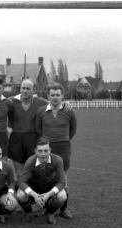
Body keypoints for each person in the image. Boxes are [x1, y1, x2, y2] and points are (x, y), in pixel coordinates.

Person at [35, 82, 77, 219]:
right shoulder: (41, 111)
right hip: (46, 149)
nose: (55, 97)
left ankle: (63, 209)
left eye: (57, 95)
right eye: (52, 95)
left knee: (63, 179)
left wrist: (63, 139)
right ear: (48, 95)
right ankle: (44, 206)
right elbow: (38, 129)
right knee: (45, 178)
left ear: (62, 96)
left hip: (63, 148)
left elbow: (73, 130)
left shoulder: (69, 111)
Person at [16, 137, 67, 224]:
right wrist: (34, 195)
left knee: (62, 196)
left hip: (50, 184)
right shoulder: (30, 161)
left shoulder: (58, 160)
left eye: (46, 150)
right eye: (40, 151)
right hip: (34, 185)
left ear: (50, 150)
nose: (43, 154)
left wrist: (48, 194)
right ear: (35, 151)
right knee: (20, 194)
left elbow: (62, 182)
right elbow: (21, 181)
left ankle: (50, 212)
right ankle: (28, 212)